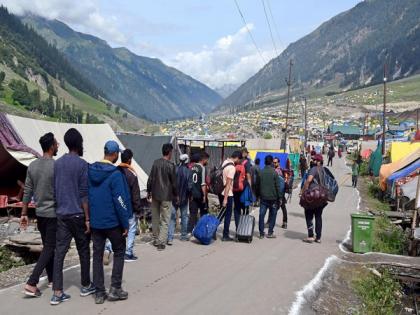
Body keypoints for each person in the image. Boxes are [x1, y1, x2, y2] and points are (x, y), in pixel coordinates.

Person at [51, 128, 95, 305]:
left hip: (61, 214)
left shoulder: (58, 163)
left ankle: (57, 292)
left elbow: (55, 190)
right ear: (78, 144)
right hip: (77, 215)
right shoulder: (82, 164)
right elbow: (84, 194)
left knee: (59, 253)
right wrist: (87, 218)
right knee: (83, 250)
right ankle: (85, 285)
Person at [88, 141, 132, 304]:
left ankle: (99, 292)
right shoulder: (115, 174)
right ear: (114, 155)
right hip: (113, 222)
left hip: (95, 222)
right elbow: (120, 200)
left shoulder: (90, 170)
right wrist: (125, 223)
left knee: (97, 255)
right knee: (119, 251)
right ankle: (115, 288)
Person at [20, 133, 59, 297]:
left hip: (40, 214)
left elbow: (27, 191)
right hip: (52, 213)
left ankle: (51, 279)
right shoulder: (56, 166)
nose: (58, 146)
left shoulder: (32, 166)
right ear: (51, 146)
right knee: (50, 247)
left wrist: (23, 213)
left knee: (47, 247)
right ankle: (32, 282)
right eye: (56, 143)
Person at [147, 143, 177, 251]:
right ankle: (161, 242)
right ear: (169, 152)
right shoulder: (171, 165)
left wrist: (149, 191)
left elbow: (150, 179)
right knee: (165, 219)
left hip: (155, 195)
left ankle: (155, 239)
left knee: (155, 218)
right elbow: (174, 183)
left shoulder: (155, 163)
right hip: (166, 196)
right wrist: (176, 195)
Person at [300, 154, 328, 243]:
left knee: (308, 215)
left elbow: (308, 180)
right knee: (318, 216)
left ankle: (311, 236)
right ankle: (318, 237)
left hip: (312, 196)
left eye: (315, 160)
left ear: (319, 161)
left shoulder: (313, 169)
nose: (313, 161)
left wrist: (302, 191)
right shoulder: (324, 170)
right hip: (322, 196)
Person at [167, 154, 192, 244]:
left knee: (172, 218)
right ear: (186, 161)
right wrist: (190, 196)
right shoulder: (188, 171)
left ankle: (170, 237)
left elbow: (170, 184)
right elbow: (189, 187)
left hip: (174, 198)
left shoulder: (175, 169)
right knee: (184, 217)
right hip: (184, 198)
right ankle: (183, 236)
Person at [256, 155, 282, 238]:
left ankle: (261, 233)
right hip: (273, 198)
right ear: (271, 162)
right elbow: (278, 186)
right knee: (273, 215)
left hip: (263, 198)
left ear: (264, 162)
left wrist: (257, 196)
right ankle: (270, 232)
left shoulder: (261, 172)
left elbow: (257, 185)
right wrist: (280, 197)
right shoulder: (274, 173)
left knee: (261, 215)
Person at [219, 151, 242, 241]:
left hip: (221, 192)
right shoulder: (232, 168)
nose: (239, 162)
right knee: (227, 215)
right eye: (239, 160)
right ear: (237, 158)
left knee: (221, 214)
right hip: (227, 194)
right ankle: (225, 235)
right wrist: (225, 199)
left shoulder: (224, 162)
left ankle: (213, 232)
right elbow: (228, 184)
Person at [188, 151, 209, 233]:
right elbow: (203, 184)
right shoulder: (202, 168)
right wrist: (204, 196)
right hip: (200, 194)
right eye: (207, 160)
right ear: (203, 159)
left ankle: (189, 232)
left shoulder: (191, 167)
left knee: (193, 214)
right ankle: (203, 231)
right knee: (203, 213)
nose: (207, 161)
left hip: (192, 194)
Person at [273, 157, 288, 229]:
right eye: (273, 162)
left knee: (275, 207)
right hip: (281, 192)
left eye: (275, 162)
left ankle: (270, 221)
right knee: (282, 207)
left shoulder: (277, 171)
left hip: (278, 192)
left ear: (278, 163)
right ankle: (285, 222)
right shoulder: (282, 170)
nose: (274, 163)